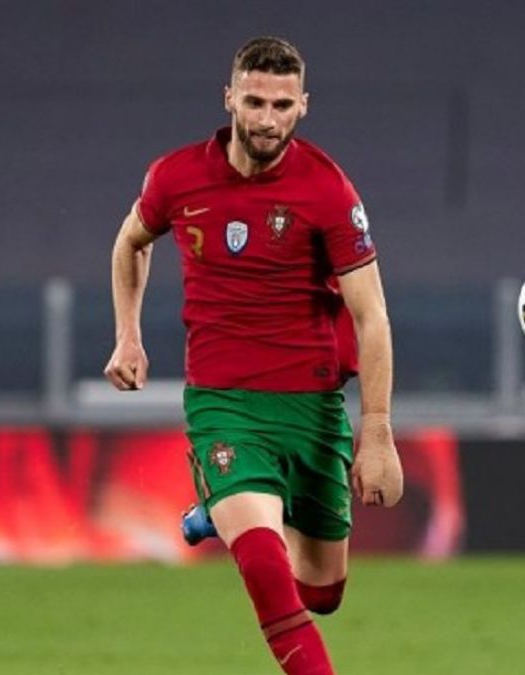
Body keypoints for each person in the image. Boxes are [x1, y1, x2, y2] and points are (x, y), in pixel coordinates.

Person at [104, 36, 403, 675]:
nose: (268, 119)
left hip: (313, 408)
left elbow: (371, 315)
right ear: (230, 99)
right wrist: (128, 335)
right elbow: (131, 242)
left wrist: (376, 431)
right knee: (265, 568)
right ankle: (230, 500)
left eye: (282, 105)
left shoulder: (327, 189)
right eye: (255, 102)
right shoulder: (176, 176)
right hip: (225, 405)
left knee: (322, 593)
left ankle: (219, 511)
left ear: (303, 107)